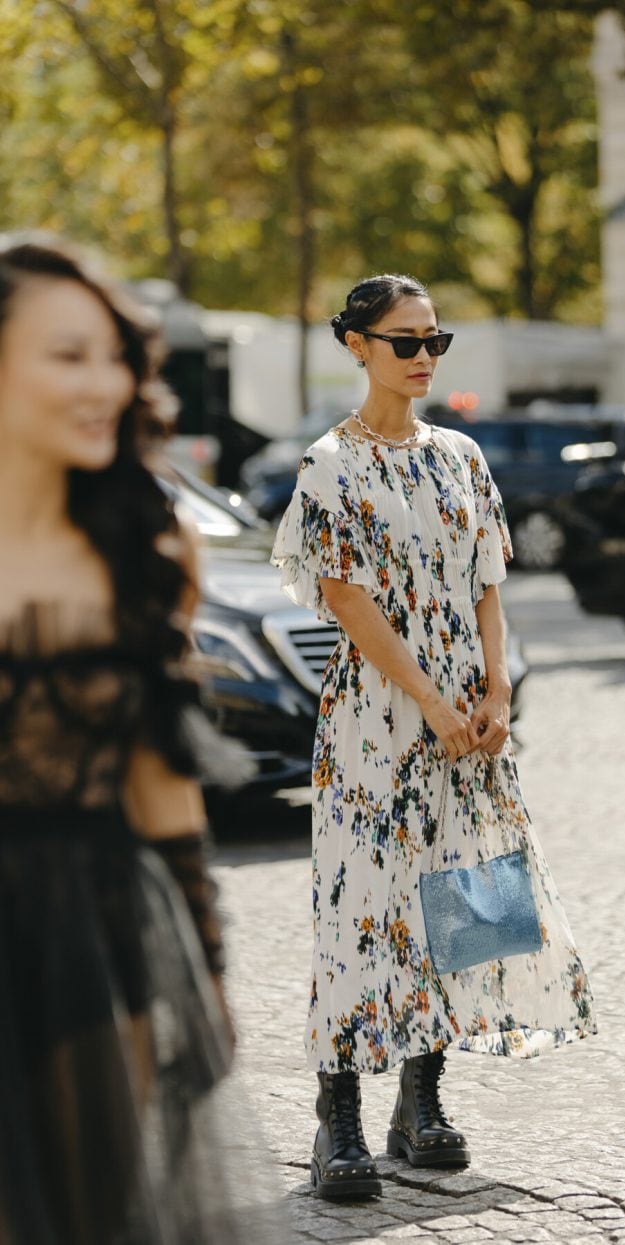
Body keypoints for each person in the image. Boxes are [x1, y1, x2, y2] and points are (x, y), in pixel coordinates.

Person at [271, 273, 597, 1202]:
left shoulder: (460, 455)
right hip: (378, 718)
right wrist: (432, 702)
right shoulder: (328, 462)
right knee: (359, 905)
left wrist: (495, 688)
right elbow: (348, 601)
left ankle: (421, 1099)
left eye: (434, 341)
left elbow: (490, 579)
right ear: (356, 344)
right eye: (404, 341)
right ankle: (338, 1113)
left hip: (469, 715)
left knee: (462, 898)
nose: (423, 357)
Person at [0, 235, 244, 1243]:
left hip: (91, 936)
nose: (104, 383)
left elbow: (160, 783)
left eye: (113, 356)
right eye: (68, 356)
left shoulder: (146, 550)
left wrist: (210, 972)